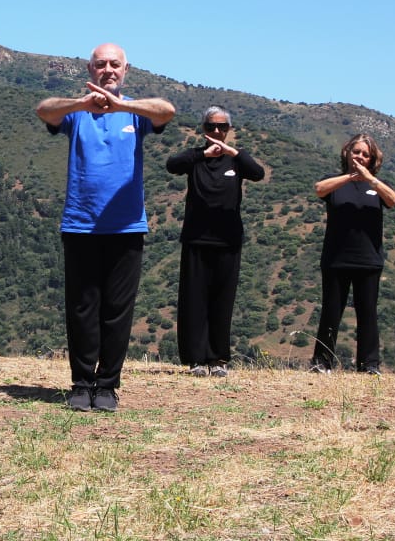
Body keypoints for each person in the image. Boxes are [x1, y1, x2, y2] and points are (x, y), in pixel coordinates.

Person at [35, 43, 175, 412]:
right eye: (101, 64)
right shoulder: (75, 114)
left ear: (126, 69)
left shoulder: (137, 114)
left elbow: (168, 111)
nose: (108, 70)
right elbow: (43, 110)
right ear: (90, 69)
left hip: (127, 227)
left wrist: (122, 106)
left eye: (115, 64)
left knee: (117, 310)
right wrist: (84, 103)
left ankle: (108, 385)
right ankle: (81, 384)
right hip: (80, 225)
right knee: (82, 308)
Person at [165, 106, 266, 376]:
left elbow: (257, 173)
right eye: (211, 127)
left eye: (222, 127)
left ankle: (218, 359)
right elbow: (172, 165)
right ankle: (196, 360)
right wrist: (202, 154)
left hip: (228, 240)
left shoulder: (235, 162)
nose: (217, 132)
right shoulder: (196, 159)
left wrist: (234, 152)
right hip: (197, 239)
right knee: (194, 300)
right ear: (203, 129)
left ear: (230, 129)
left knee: (223, 301)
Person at [310, 133, 395, 375]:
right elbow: (319, 189)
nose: (359, 156)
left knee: (368, 313)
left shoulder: (376, 186)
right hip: (336, 259)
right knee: (330, 311)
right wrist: (350, 177)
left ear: (372, 159)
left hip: (369, 260)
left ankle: (369, 366)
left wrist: (369, 179)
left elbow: (393, 200)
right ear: (347, 153)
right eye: (356, 151)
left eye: (365, 154)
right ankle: (321, 363)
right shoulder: (334, 182)